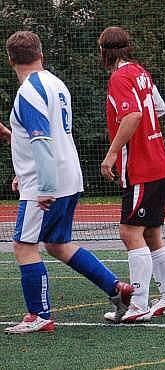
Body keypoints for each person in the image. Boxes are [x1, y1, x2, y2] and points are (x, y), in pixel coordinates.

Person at [4, 31, 132, 334]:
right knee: (58, 244)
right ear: (41, 55)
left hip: (47, 183)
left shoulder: (28, 92)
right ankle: (115, 287)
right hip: (68, 174)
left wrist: (43, 186)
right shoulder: (56, 84)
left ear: (10, 60)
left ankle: (39, 315)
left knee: (24, 247)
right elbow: (44, 137)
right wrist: (22, 170)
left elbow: (41, 139)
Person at [99, 26, 165, 322]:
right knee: (150, 233)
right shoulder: (140, 72)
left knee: (130, 231)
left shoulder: (120, 77)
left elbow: (133, 114)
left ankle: (138, 303)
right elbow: (157, 109)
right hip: (157, 161)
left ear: (103, 52)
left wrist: (112, 152)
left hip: (141, 166)